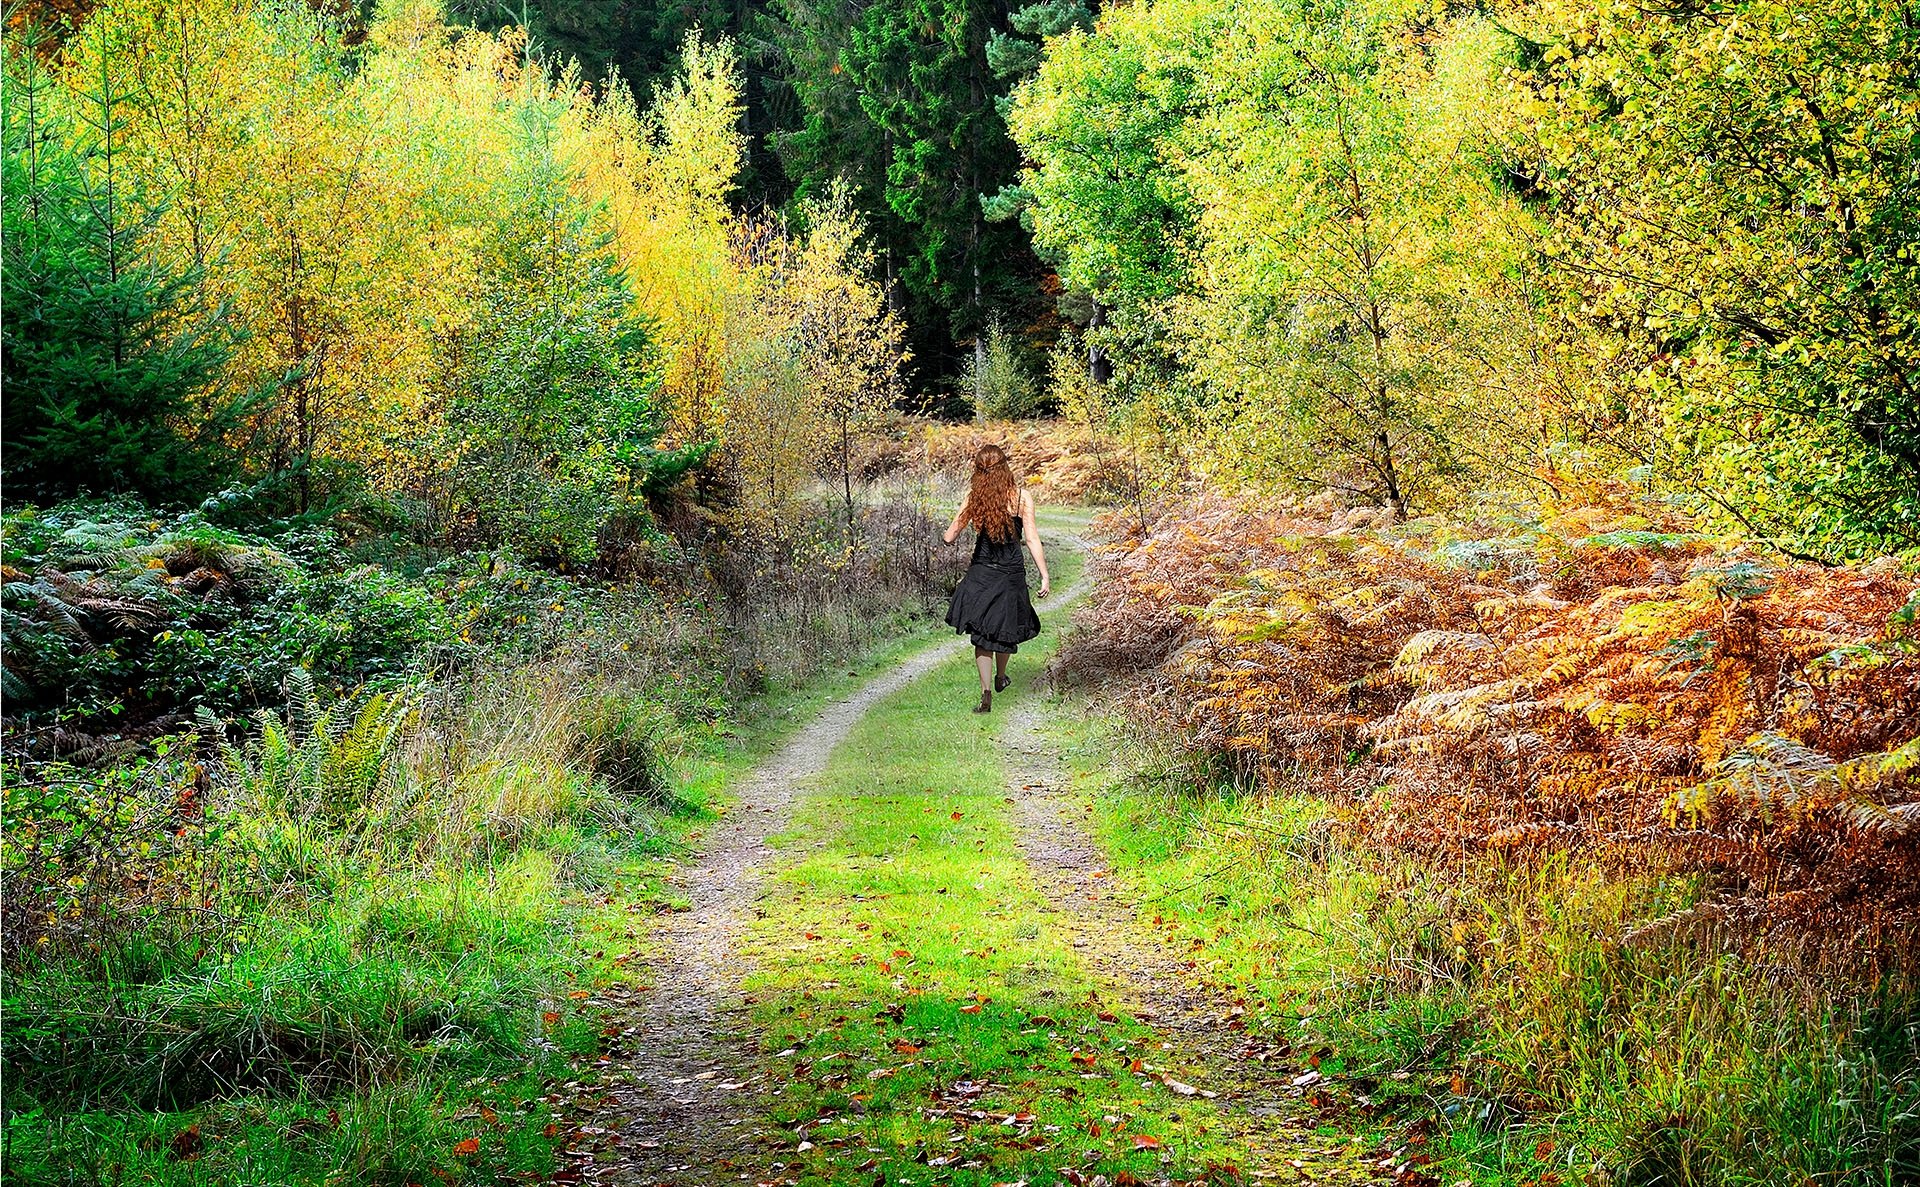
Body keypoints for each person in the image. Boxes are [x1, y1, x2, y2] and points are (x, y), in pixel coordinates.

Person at [943, 444, 1050, 713]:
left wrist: (952, 533)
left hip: (982, 572)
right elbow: (1032, 538)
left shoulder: (974, 498)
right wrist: (1044, 575)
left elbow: (950, 535)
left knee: (981, 634)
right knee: (1004, 628)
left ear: (978, 471)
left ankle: (986, 693)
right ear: (1005, 467)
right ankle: (1001, 676)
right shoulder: (1021, 498)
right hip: (1010, 572)